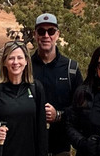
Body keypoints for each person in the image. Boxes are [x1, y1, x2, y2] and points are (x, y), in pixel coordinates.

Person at [0, 42, 48, 156]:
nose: (15, 62)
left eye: (20, 58)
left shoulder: (36, 88)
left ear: (26, 61)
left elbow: (41, 130)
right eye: (11, 58)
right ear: (4, 62)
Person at [30, 12, 82, 156]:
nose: (46, 35)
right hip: (30, 146)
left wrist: (58, 115)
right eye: (41, 31)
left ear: (57, 35)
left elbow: (81, 108)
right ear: (35, 35)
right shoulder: (25, 67)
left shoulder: (71, 69)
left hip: (61, 147)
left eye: (51, 31)